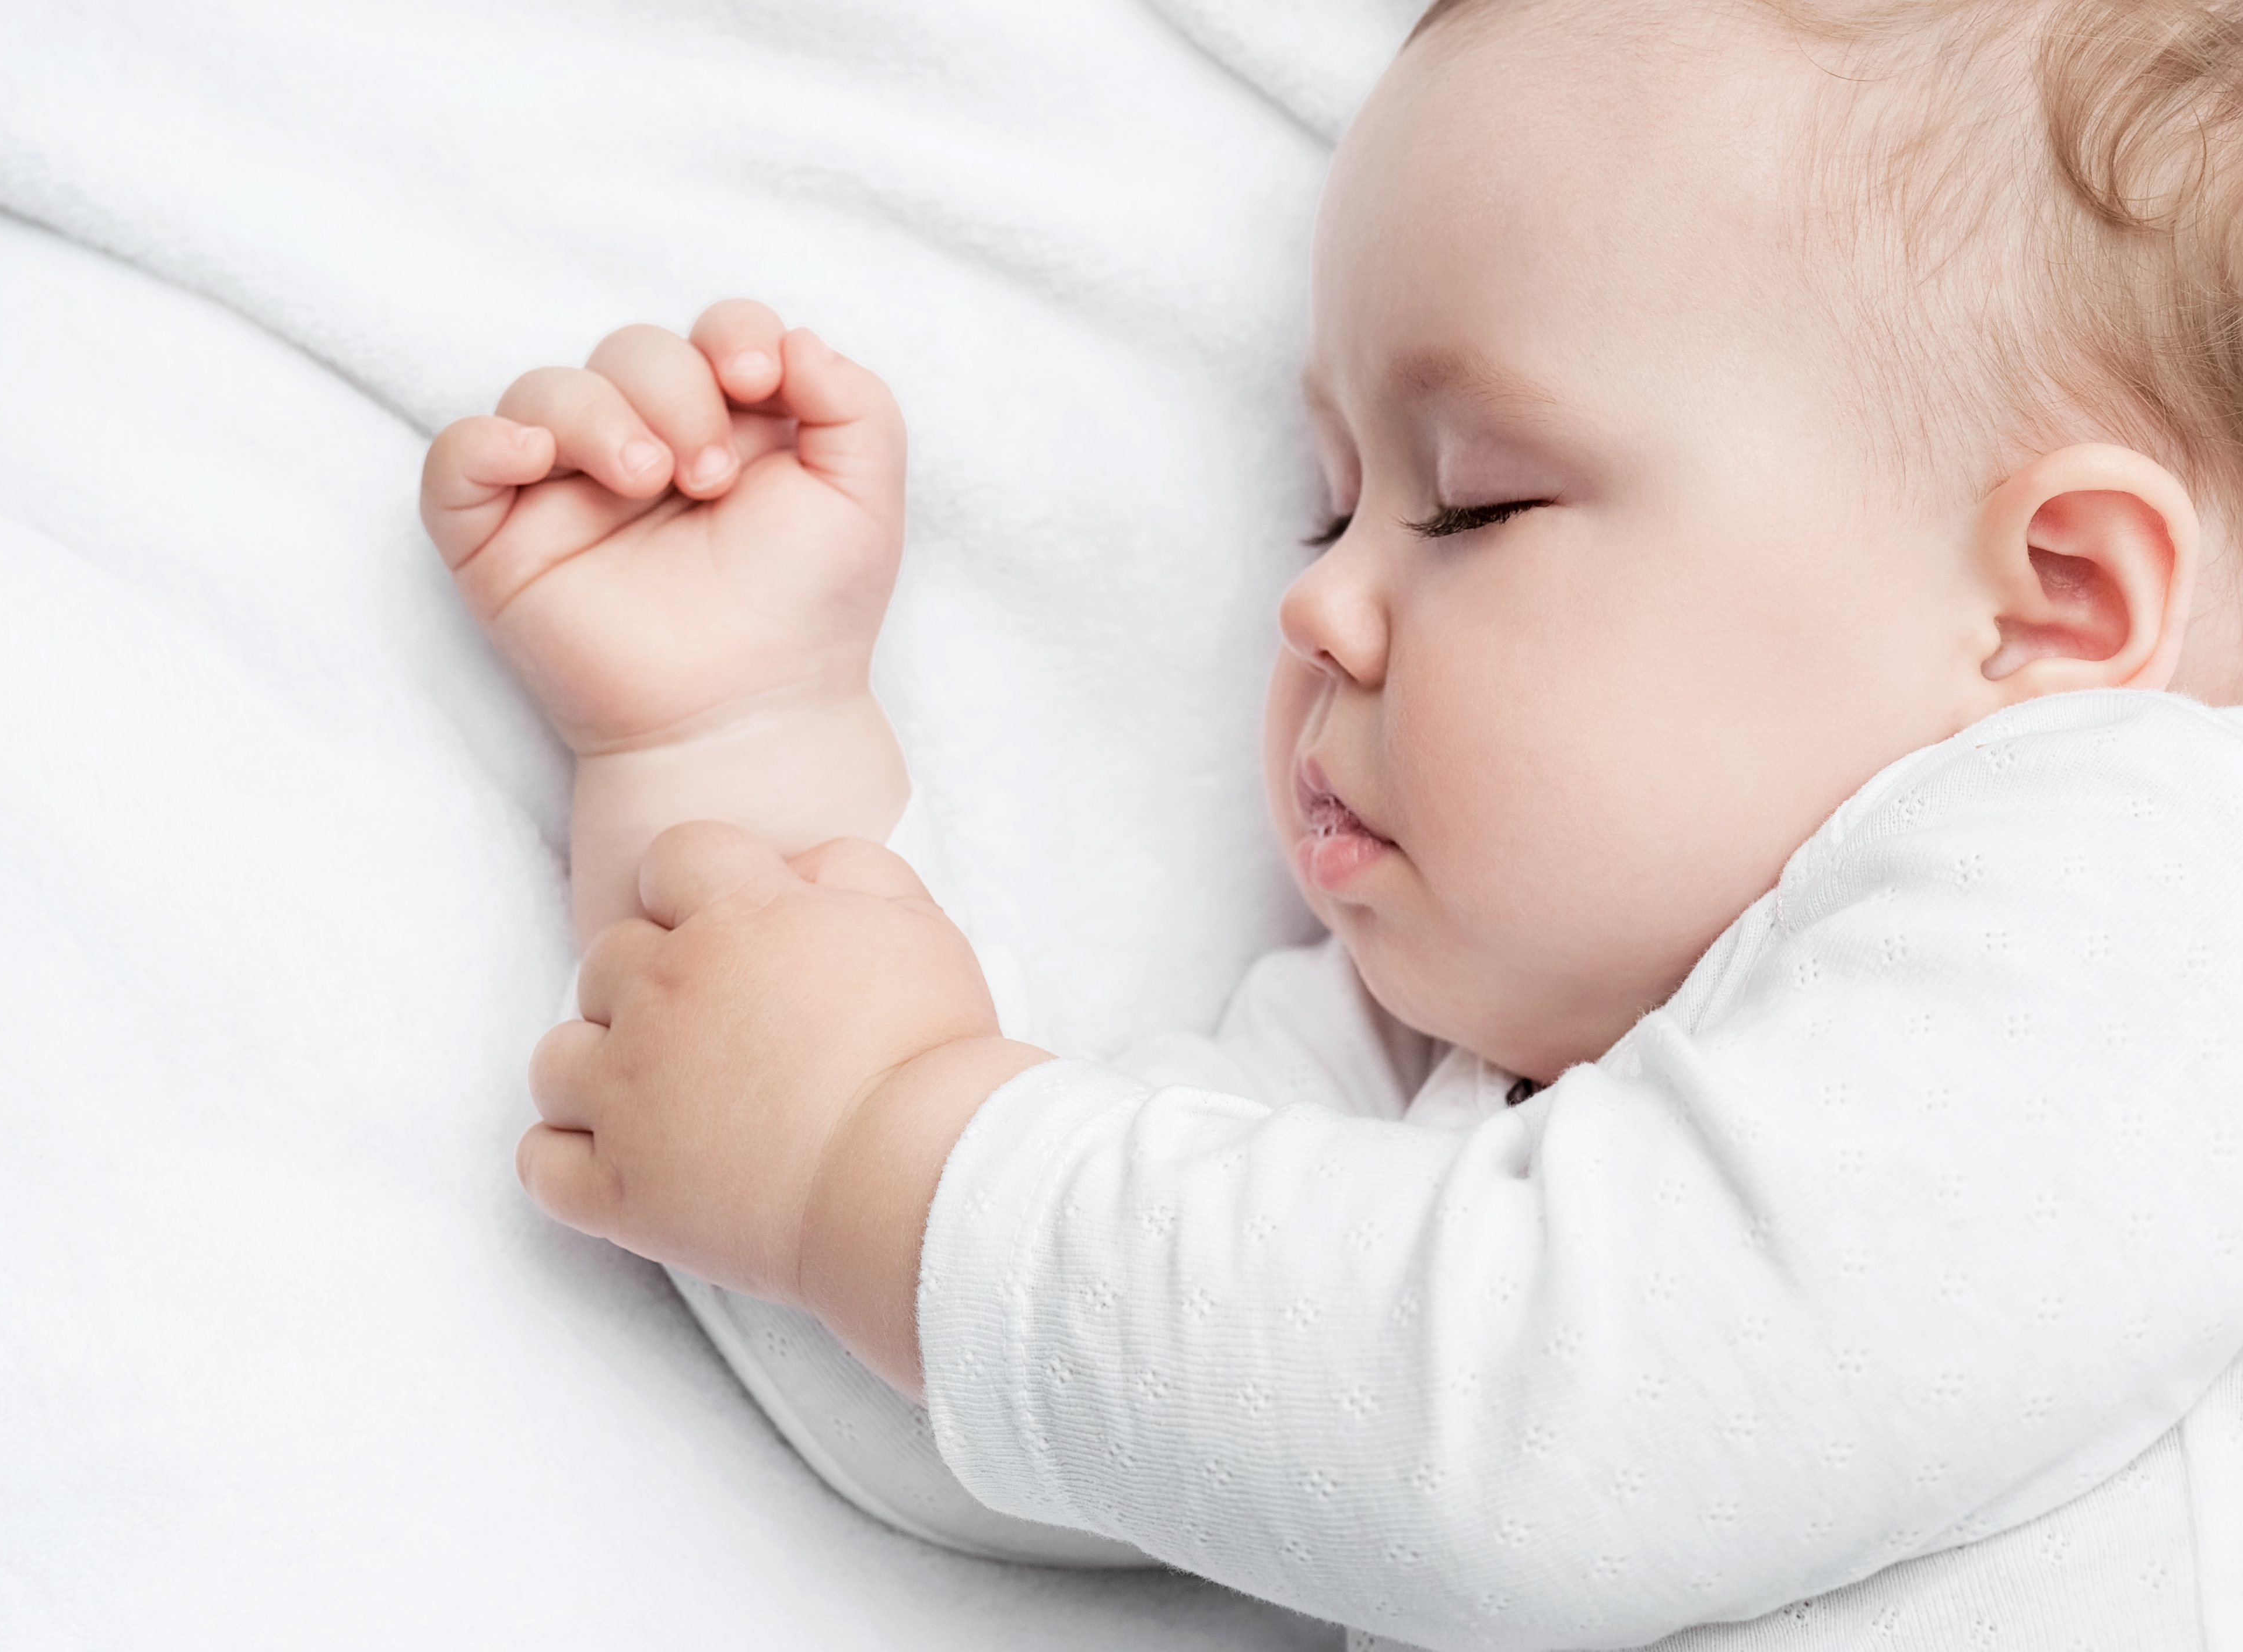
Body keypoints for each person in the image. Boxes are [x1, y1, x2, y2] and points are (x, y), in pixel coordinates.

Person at [418, 0, 2243, 1644]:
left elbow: (1552, 1446)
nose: (1315, 612)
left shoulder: (2150, 886)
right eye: (1325, 507)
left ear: (2056, 602)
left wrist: (867, 1158)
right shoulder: (1451, 1054)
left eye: (1473, 506)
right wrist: (724, 743)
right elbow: (1027, 1390)